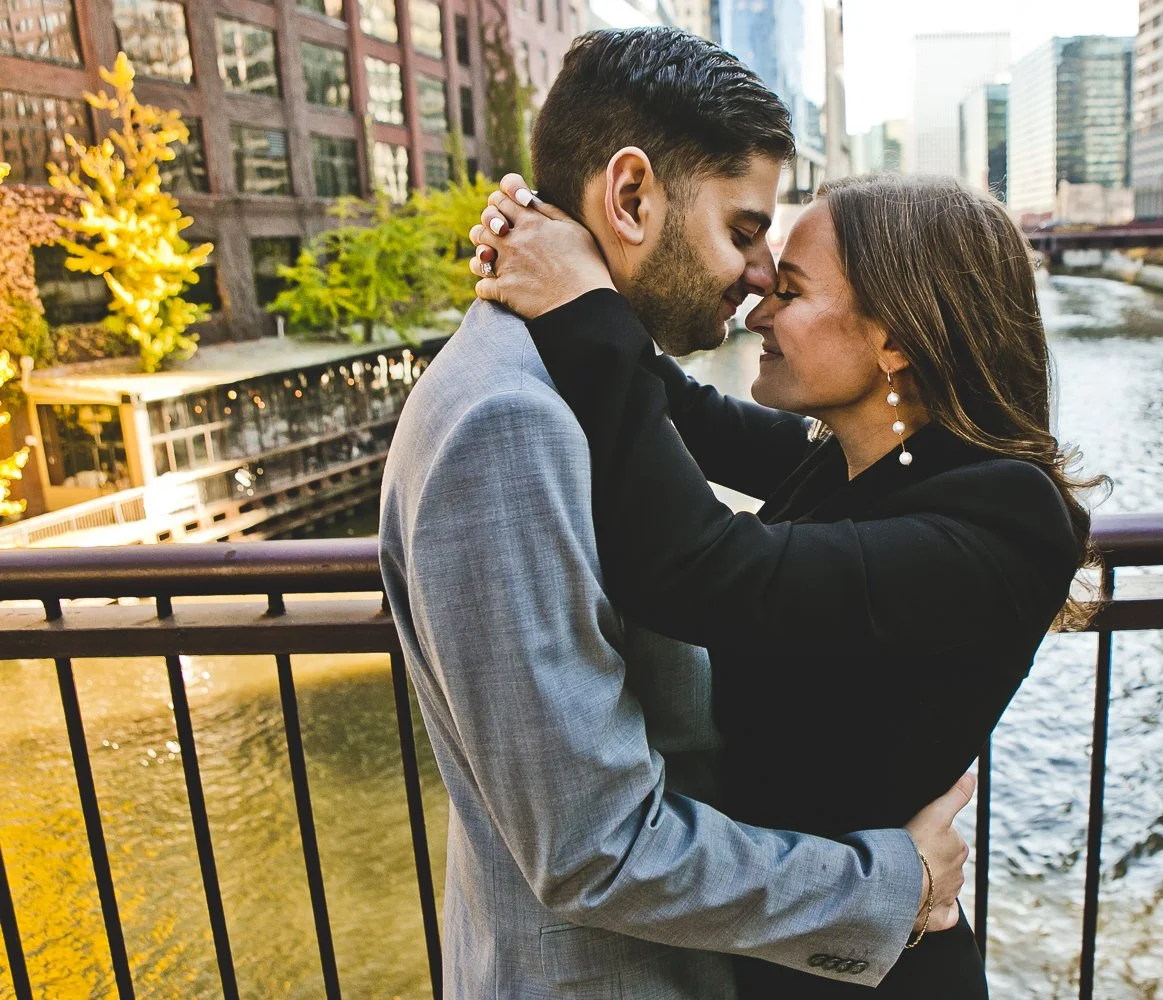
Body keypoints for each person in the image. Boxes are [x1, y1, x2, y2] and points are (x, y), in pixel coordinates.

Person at [379, 27, 974, 1000]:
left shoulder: (562, 380)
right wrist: (889, 886)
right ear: (631, 196)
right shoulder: (509, 424)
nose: (755, 276)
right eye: (742, 230)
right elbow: (592, 847)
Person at [467, 170, 1101, 997]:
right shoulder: (843, 459)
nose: (759, 306)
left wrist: (581, 303)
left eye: (791, 290)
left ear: (896, 338)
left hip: (866, 972)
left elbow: (695, 567)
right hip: (785, 941)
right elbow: (674, 411)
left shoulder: (1002, 516)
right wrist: (559, 254)